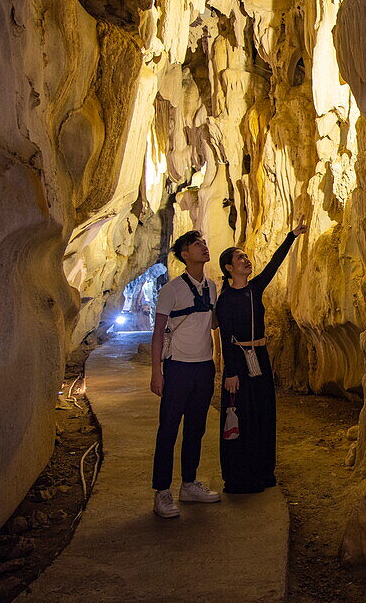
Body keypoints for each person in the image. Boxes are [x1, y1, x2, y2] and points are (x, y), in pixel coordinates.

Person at [216, 222, 307, 493]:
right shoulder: (226, 300)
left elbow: (274, 264)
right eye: (239, 258)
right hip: (240, 364)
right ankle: (241, 477)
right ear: (229, 268)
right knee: (242, 416)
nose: (246, 260)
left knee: (264, 413)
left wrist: (291, 236)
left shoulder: (254, 289)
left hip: (260, 358)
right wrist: (230, 373)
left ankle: (264, 470)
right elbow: (226, 338)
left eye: (246, 256)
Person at [149, 230, 222, 518]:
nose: (204, 248)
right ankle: (162, 491)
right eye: (197, 245)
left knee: (196, 428)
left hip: (204, 367)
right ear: (184, 255)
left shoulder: (212, 287)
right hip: (178, 367)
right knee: (168, 430)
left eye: (204, 243)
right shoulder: (171, 290)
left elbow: (212, 324)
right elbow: (158, 334)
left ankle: (189, 484)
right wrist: (157, 373)